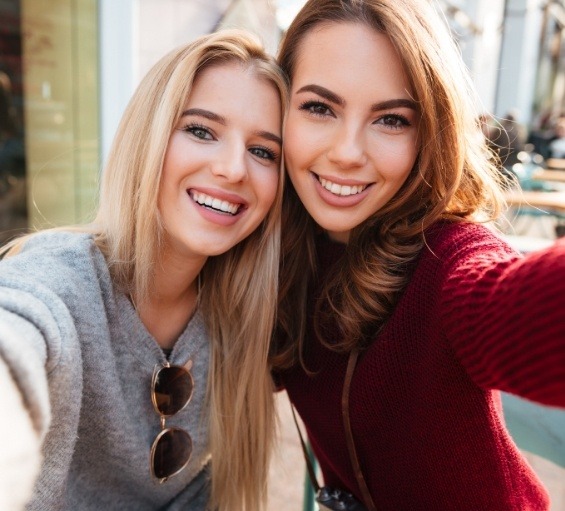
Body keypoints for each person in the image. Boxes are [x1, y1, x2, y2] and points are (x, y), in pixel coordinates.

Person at [272, 1, 565, 510]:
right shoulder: (282, 255)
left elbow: (520, 307)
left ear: (429, 132)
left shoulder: (448, 261)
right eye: (320, 107)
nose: (346, 151)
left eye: (390, 119)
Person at [0, 29, 287, 511]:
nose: (233, 169)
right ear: (147, 138)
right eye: (201, 130)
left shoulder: (254, 312)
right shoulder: (60, 281)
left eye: (264, 151)